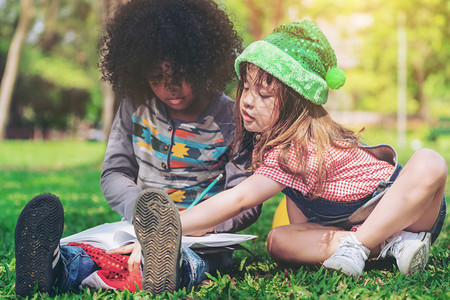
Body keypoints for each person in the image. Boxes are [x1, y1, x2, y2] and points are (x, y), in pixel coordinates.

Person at [14, 0, 261, 297]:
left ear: (202, 63)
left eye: (180, 74)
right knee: (98, 251)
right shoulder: (134, 107)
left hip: (200, 236)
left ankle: (168, 269)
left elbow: (246, 197)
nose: (170, 88)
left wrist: (207, 226)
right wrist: (144, 215)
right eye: (157, 78)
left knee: (191, 259)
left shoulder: (232, 119)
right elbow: (114, 173)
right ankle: (53, 266)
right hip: (136, 226)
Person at [178, 20, 447, 277]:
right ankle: (391, 246)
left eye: (263, 94)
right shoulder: (275, 145)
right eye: (246, 88)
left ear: (296, 103)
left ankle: (361, 244)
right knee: (278, 240)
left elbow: (239, 199)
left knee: (429, 161)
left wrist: (176, 224)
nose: (247, 101)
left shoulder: (296, 147)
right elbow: (303, 225)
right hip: (352, 224)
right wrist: (198, 223)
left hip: (409, 209)